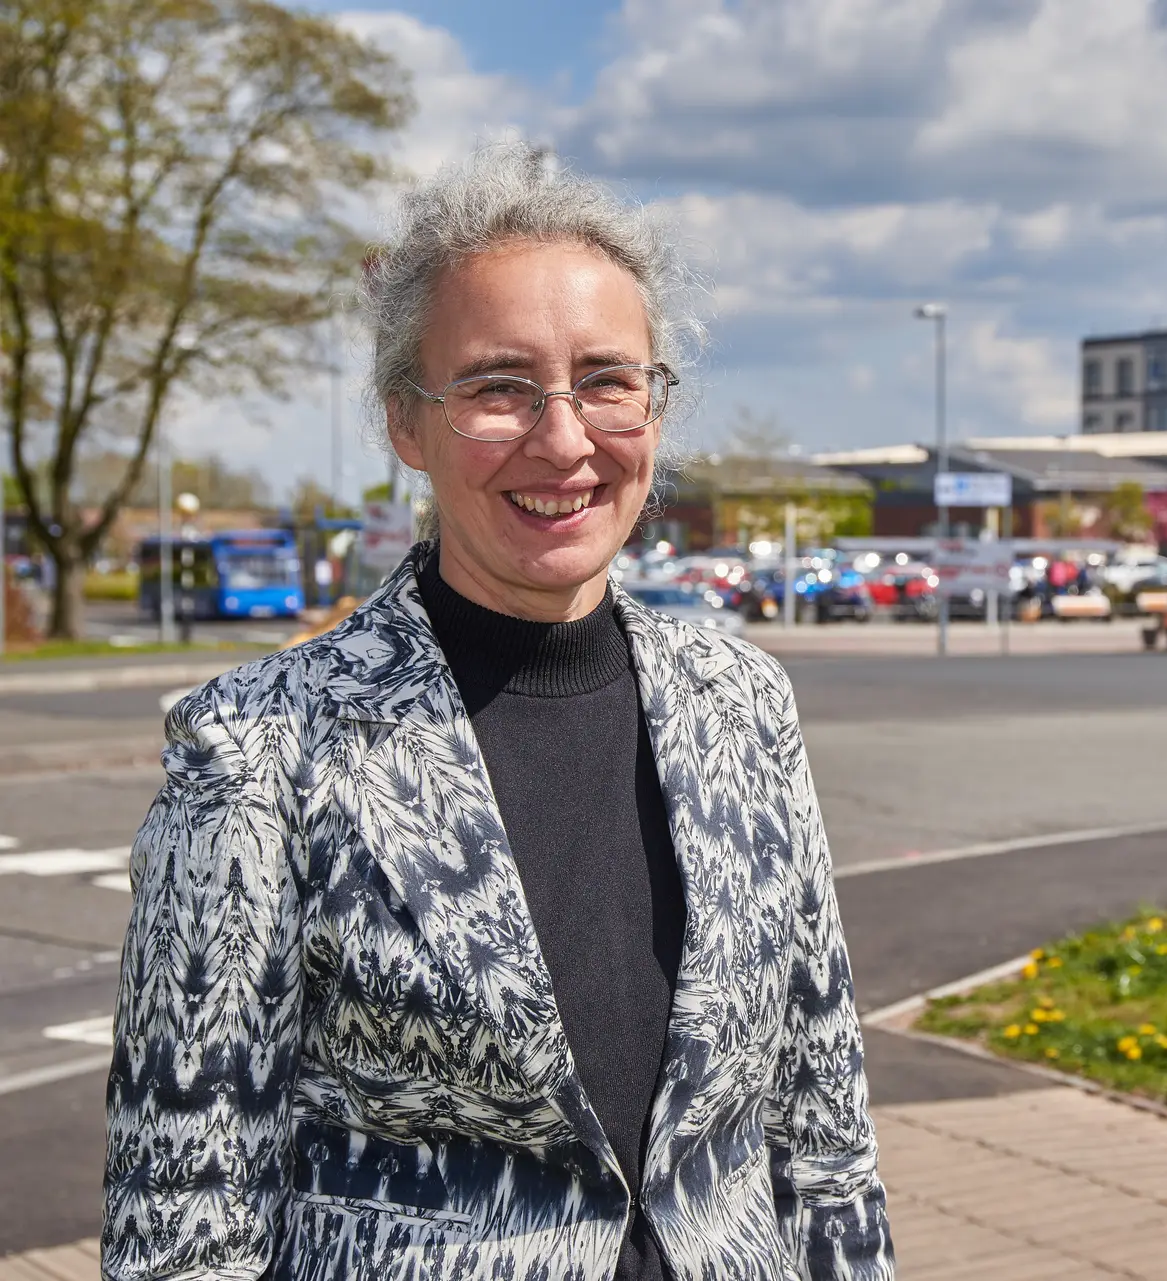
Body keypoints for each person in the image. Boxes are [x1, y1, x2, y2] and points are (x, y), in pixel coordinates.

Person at [103, 145, 893, 1281]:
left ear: (656, 408)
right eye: (496, 387)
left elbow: (824, 1136)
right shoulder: (260, 748)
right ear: (405, 425)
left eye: (607, 380)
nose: (563, 439)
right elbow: (181, 1216)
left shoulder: (745, 703)